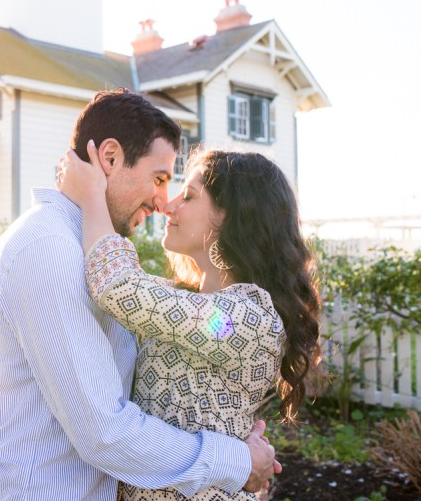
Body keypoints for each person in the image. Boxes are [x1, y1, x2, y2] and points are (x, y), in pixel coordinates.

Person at [0, 89, 278, 501]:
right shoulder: (49, 250)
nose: (163, 201)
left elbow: (163, 307)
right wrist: (236, 461)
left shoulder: (92, 252)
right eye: (160, 178)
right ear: (110, 158)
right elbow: (103, 431)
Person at [56, 142, 321, 500]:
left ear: (232, 217)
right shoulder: (189, 303)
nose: (168, 205)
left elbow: (118, 285)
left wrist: (92, 195)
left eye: (190, 196)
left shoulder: (248, 318)